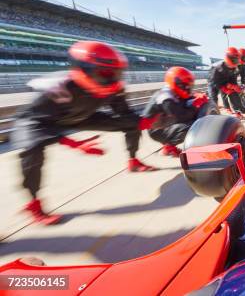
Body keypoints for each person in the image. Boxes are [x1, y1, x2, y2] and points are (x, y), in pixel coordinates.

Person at [11, 41, 157, 225]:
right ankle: (33, 203)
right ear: (81, 69)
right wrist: (73, 143)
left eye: (117, 73)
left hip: (82, 116)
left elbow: (125, 113)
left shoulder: (115, 87)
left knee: (132, 123)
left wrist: (145, 122)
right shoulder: (58, 87)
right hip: (38, 120)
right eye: (105, 73)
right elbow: (41, 123)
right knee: (33, 150)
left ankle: (133, 161)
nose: (113, 79)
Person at [143, 66, 209, 157]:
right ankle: (168, 147)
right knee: (194, 126)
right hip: (157, 130)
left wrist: (195, 96)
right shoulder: (165, 97)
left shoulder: (172, 91)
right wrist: (196, 105)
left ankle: (169, 146)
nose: (188, 88)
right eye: (186, 86)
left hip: (165, 124)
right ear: (178, 83)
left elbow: (183, 101)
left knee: (195, 120)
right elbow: (181, 116)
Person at [208, 47, 245, 119]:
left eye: (237, 60)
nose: (236, 62)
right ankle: (213, 118)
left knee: (234, 94)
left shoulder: (234, 67)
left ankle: (238, 113)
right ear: (228, 58)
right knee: (213, 99)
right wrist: (226, 88)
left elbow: (233, 79)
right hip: (214, 82)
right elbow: (215, 82)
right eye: (235, 60)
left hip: (225, 81)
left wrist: (234, 87)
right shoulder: (217, 67)